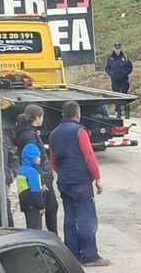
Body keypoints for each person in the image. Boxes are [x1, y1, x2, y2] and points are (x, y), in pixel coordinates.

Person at [48, 101, 110, 267]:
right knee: (87, 219)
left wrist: (63, 173)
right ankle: (90, 256)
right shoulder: (80, 131)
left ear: (63, 114)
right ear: (78, 113)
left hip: (64, 181)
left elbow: (53, 161)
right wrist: (97, 178)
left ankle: (73, 255)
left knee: (70, 218)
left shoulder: (53, 134)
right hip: (80, 181)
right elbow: (89, 156)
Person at [15, 104, 59, 234]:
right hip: (40, 177)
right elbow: (35, 160)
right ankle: (50, 239)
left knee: (51, 207)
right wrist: (43, 181)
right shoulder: (29, 135)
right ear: (38, 117)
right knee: (42, 211)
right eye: (42, 116)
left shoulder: (28, 132)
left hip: (41, 176)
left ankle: (51, 237)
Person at [17, 143, 46, 230]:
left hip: (25, 204)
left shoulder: (21, 169)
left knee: (30, 226)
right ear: (32, 158)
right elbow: (35, 191)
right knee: (36, 228)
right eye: (37, 156)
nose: (39, 159)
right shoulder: (32, 171)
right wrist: (41, 206)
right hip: (33, 204)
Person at [105, 42, 133, 119]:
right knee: (116, 96)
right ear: (114, 48)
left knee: (125, 95)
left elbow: (130, 67)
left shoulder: (125, 57)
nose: (117, 50)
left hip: (124, 80)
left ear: (121, 48)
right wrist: (111, 74)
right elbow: (107, 68)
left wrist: (125, 73)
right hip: (115, 80)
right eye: (116, 48)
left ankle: (127, 111)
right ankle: (118, 112)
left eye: (118, 48)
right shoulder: (110, 58)